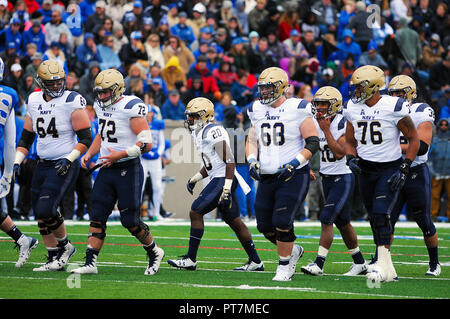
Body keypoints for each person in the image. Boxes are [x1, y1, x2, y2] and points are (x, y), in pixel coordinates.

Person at [70, 68, 164, 276]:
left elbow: (146, 144)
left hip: (128, 168)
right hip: (107, 167)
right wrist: (89, 153)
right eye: (99, 92)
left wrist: (118, 155)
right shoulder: (100, 106)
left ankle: (154, 252)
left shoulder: (130, 106)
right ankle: (90, 262)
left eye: (106, 91)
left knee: (130, 221)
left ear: (118, 89)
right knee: (97, 214)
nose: (102, 96)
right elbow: (102, 135)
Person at [12, 60, 92, 271]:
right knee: (40, 213)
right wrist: (17, 162)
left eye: (59, 82)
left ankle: (65, 247)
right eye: (51, 83)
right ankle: (52, 256)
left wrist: (69, 158)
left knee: (46, 207)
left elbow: (86, 137)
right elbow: (26, 138)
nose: (57, 86)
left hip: (64, 162)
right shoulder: (34, 99)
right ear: (41, 82)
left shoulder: (72, 100)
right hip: (43, 163)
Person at [167, 97, 264, 272]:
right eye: (189, 116)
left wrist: (226, 189)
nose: (190, 119)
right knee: (234, 221)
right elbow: (212, 163)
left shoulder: (213, 131)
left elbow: (229, 161)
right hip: (218, 177)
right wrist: (195, 178)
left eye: (194, 116)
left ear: (206, 115)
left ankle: (191, 259)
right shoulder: (200, 131)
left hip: (223, 179)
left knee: (195, 211)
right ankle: (256, 261)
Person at [343, 65, 420, 283]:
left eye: (360, 87)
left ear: (375, 86)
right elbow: (350, 140)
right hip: (366, 170)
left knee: (380, 214)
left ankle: (380, 264)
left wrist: (405, 166)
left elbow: (413, 139)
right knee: (373, 219)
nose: (356, 92)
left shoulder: (393, 105)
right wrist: (350, 158)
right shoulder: (353, 107)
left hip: (389, 167)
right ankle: (389, 269)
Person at [246, 67, 320, 281]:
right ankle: (293, 250)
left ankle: (284, 265)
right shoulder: (256, 109)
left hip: (293, 174)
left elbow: (313, 142)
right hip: (268, 174)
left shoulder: (298, 107)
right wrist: (252, 161)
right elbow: (252, 139)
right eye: (262, 88)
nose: (264, 93)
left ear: (281, 87)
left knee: (282, 219)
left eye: (269, 88)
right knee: (264, 225)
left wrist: (294, 163)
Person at [300, 86, 368, 276]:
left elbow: (339, 153)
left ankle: (319, 264)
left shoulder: (341, 122)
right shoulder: (314, 121)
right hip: (326, 178)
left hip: (343, 176)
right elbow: (308, 145)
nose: (320, 107)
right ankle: (360, 262)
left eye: (324, 104)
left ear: (335, 105)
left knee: (326, 217)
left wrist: (326, 129)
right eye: (318, 103)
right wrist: (305, 166)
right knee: (343, 222)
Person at [387, 75, 440, 276]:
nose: (395, 97)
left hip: (415, 171)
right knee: (386, 219)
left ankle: (434, 262)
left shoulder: (421, 110)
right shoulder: (387, 111)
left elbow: (422, 146)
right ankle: (382, 260)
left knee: (422, 219)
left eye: (399, 93)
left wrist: (390, 147)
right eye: (392, 93)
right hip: (392, 169)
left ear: (410, 93)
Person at [0, 57, 38, 268]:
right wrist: (8, 171)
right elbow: (11, 139)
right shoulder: (9, 94)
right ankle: (23, 240)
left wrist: (7, 171)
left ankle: (23, 240)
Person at [141, 106, 166, 220]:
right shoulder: (140, 123)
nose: (149, 114)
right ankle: (137, 212)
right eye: (147, 112)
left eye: (150, 112)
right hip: (143, 158)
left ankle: (157, 212)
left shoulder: (158, 124)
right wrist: (144, 152)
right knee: (140, 186)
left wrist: (158, 153)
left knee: (157, 186)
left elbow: (162, 142)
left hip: (155, 159)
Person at [429, 117, 450, 222]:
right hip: (436, 173)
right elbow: (429, 157)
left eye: (446, 124)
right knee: (434, 196)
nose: (444, 126)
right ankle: (433, 216)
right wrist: (433, 172)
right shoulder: (435, 140)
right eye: (442, 124)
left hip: (449, 173)